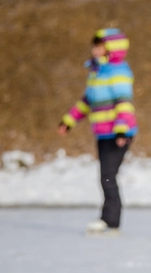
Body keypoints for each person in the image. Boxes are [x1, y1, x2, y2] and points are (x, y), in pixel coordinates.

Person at [58, 28, 137, 236]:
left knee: (108, 176)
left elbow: (124, 102)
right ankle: (108, 219)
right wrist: (69, 121)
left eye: (100, 46)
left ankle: (111, 221)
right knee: (105, 176)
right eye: (95, 46)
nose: (95, 50)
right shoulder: (97, 72)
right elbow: (87, 101)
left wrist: (121, 131)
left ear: (111, 48)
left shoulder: (118, 72)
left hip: (119, 133)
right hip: (103, 132)